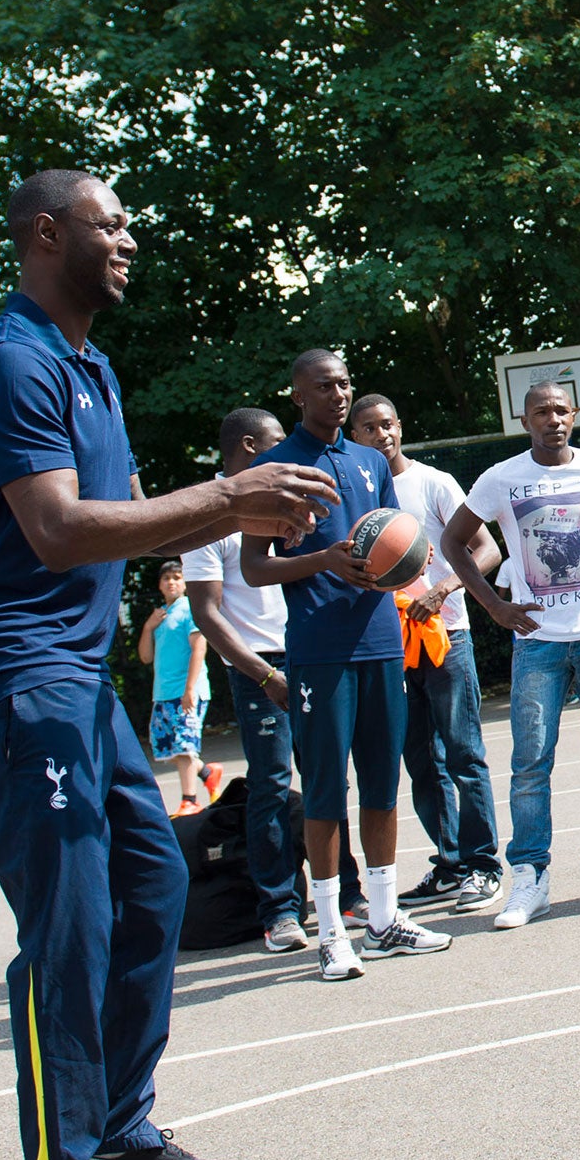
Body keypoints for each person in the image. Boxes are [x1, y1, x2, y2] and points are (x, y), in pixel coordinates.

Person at [0, 168, 338, 1160]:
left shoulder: (87, 366)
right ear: (47, 233)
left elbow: (132, 525)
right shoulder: (9, 361)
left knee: (152, 881)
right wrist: (226, 499)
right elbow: (58, 531)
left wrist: (284, 537)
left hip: (69, 675)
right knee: (68, 923)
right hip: (7, 673)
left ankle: (115, 1130)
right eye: (110, 225)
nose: (130, 240)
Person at [242, 351, 451, 980]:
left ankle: (384, 919)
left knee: (384, 785)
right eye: (323, 386)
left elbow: (398, 543)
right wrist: (323, 561)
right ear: (298, 395)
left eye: (344, 384)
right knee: (328, 793)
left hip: (382, 641)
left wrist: (409, 572)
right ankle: (333, 931)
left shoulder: (369, 461)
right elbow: (255, 567)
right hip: (320, 651)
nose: (337, 395)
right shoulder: (271, 469)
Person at [442, 381, 580, 928]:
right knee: (529, 765)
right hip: (536, 640)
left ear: (576, 414)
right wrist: (493, 604)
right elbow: (452, 543)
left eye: (561, 409)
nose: (553, 418)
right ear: (525, 421)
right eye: (541, 411)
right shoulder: (501, 478)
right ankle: (531, 878)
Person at [348, 393, 506, 915]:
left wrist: (440, 591)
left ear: (400, 426)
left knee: (463, 752)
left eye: (388, 424)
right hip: (388, 647)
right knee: (420, 760)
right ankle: (451, 863)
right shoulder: (356, 490)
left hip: (446, 637)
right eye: (368, 428)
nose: (381, 435)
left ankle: (485, 867)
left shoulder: (432, 482)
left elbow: (487, 549)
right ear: (354, 437)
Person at [184, 408, 310, 953]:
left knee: (328, 777)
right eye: (278, 441)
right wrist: (264, 675)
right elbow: (208, 615)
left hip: (308, 651)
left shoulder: (282, 502)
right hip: (259, 663)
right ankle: (278, 909)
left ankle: (346, 891)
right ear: (249, 447)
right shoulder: (209, 513)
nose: (287, 450)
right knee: (272, 784)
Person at [136, 561, 223, 816]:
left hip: (187, 692)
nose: (171, 582)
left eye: (177, 577)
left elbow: (200, 648)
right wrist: (147, 627)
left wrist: (189, 689)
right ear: (159, 585)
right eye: (166, 578)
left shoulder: (189, 610)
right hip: (163, 694)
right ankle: (207, 773)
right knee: (166, 747)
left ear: (185, 583)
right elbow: (145, 657)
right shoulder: (160, 615)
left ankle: (190, 800)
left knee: (184, 749)